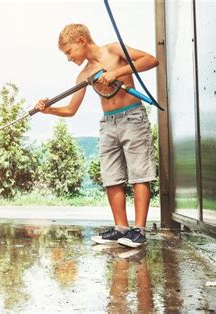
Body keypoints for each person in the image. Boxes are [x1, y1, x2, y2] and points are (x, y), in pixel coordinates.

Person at [34, 24, 158, 248]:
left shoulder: (113, 50)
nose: (69, 58)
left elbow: (151, 60)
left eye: (69, 51)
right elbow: (71, 110)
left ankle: (138, 231)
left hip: (132, 117)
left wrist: (115, 73)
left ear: (81, 41)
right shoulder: (84, 74)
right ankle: (121, 228)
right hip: (108, 122)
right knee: (111, 176)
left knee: (139, 173)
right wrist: (48, 109)